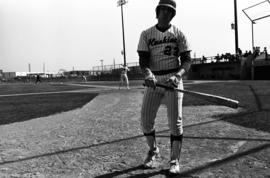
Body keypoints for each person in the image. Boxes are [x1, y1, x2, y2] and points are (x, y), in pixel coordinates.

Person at [137, 0, 191, 175]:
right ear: (158, 10)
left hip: (173, 81)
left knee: (175, 124)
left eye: (170, 11)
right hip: (154, 81)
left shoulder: (179, 33)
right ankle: (153, 151)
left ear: (173, 14)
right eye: (164, 9)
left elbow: (187, 60)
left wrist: (178, 76)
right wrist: (148, 74)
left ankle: (174, 160)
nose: (166, 13)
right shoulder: (146, 34)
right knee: (145, 121)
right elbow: (143, 60)